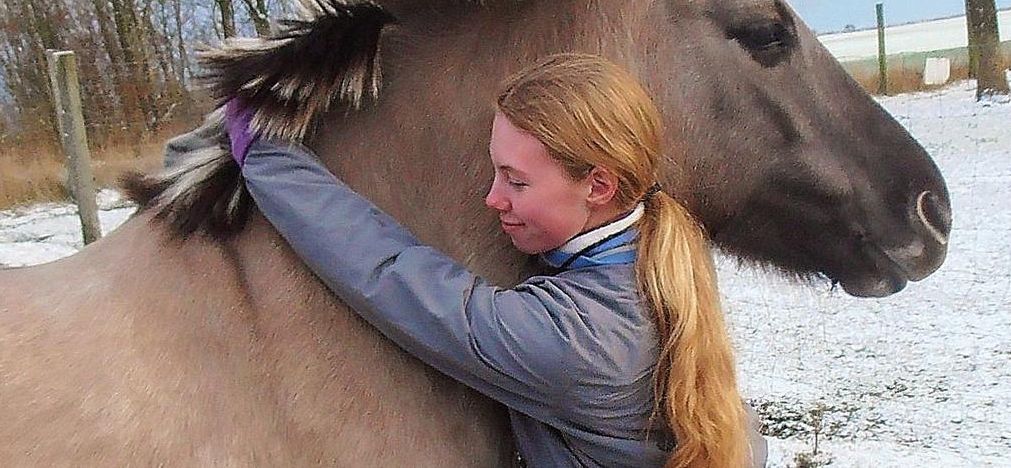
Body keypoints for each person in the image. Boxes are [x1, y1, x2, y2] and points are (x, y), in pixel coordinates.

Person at [223, 53, 767, 468]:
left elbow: (388, 274)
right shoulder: (666, 256)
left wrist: (266, 153)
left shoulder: (573, 340)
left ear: (599, 185)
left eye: (517, 180)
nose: (493, 198)